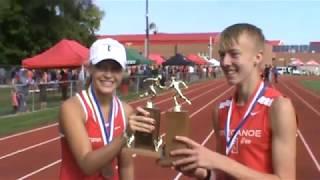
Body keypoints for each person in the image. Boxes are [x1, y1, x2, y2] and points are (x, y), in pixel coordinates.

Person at [169, 23, 297, 179]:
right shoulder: (220, 110)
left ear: (257, 57)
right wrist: (203, 173)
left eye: (234, 54)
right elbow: (222, 175)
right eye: (222, 55)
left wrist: (221, 162)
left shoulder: (278, 107)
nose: (225, 62)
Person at [59, 38, 155, 180]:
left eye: (115, 68)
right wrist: (125, 136)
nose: (108, 74)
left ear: (123, 72)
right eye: (102, 67)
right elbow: (87, 165)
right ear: (91, 68)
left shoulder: (126, 111)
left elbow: (126, 166)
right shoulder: (72, 108)